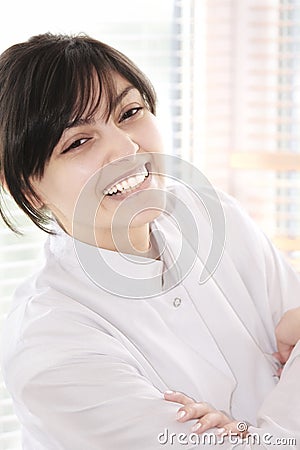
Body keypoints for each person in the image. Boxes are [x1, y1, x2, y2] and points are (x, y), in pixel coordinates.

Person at [0, 33, 299, 450]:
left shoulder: (213, 216)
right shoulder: (50, 348)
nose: (126, 147)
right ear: (28, 192)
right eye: (78, 142)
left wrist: (246, 434)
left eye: (129, 112)